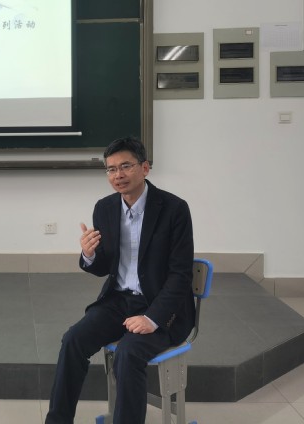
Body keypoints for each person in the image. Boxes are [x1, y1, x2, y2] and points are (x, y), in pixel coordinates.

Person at [45, 137, 195, 424]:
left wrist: (152, 318)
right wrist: (89, 254)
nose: (118, 175)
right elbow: (104, 266)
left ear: (145, 168)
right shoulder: (104, 208)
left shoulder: (174, 209)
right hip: (118, 301)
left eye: (126, 166)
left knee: (128, 353)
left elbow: (181, 275)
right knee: (72, 340)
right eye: (111, 169)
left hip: (163, 307)